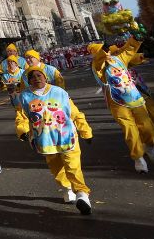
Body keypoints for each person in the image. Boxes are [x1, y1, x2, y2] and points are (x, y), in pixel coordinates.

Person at [14, 68, 95, 214]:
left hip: (66, 136)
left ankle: (82, 194)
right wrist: (23, 132)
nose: (36, 78)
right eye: (32, 77)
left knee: (73, 166)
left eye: (39, 75)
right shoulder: (24, 97)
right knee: (56, 168)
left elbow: (74, 112)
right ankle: (66, 187)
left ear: (45, 77)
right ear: (28, 81)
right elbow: (22, 117)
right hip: (45, 141)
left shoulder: (59, 92)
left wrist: (85, 131)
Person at [90, 40, 154, 172]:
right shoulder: (97, 66)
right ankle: (138, 158)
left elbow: (129, 50)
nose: (107, 52)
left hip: (135, 99)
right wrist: (103, 51)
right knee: (130, 131)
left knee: (147, 128)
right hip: (118, 103)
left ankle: (149, 146)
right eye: (103, 50)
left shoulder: (118, 59)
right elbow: (99, 61)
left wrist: (137, 39)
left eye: (107, 50)